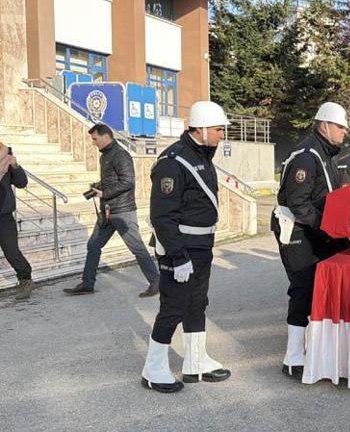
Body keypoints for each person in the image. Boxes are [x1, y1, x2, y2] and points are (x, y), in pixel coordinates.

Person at [140, 101, 232, 393]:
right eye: (219, 130)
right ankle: (153, 369)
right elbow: (162, 216)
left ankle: (195, 362)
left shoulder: (202, 155)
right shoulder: (173, 161)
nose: (222, 135)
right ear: (202, 129)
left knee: (196, 303)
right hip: (180, 248)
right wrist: (178, 256)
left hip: (202, 245)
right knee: (173, 306)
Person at [272, 102, 350, 380]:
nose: (344, 132)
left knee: (322, 285)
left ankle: (313, 347)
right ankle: (293, 357)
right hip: (297, 230)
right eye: (340, 127)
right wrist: (328, 227)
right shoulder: (307, 156)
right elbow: (298, 203)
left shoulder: (326, 154)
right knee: (303, 287)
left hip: (315, 229)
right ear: (324, 125)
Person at [63, 124, 160, 297]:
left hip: (123, 211)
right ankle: (87, 283)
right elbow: (112, 180)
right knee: (93, 245)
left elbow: (128, 182)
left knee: (137, 248)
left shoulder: (121, 154)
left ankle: (156, 282)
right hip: (107, 210)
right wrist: (98, 187)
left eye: (95, 139)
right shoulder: (105, 156)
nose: (93, 143)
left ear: (105, 136)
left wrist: (105, 192)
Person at [0, 142, 33, 300]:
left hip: (4, 216)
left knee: (12, 252)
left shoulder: (5, 161)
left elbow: (22, 183)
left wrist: (15, 165)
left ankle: (25, 279)